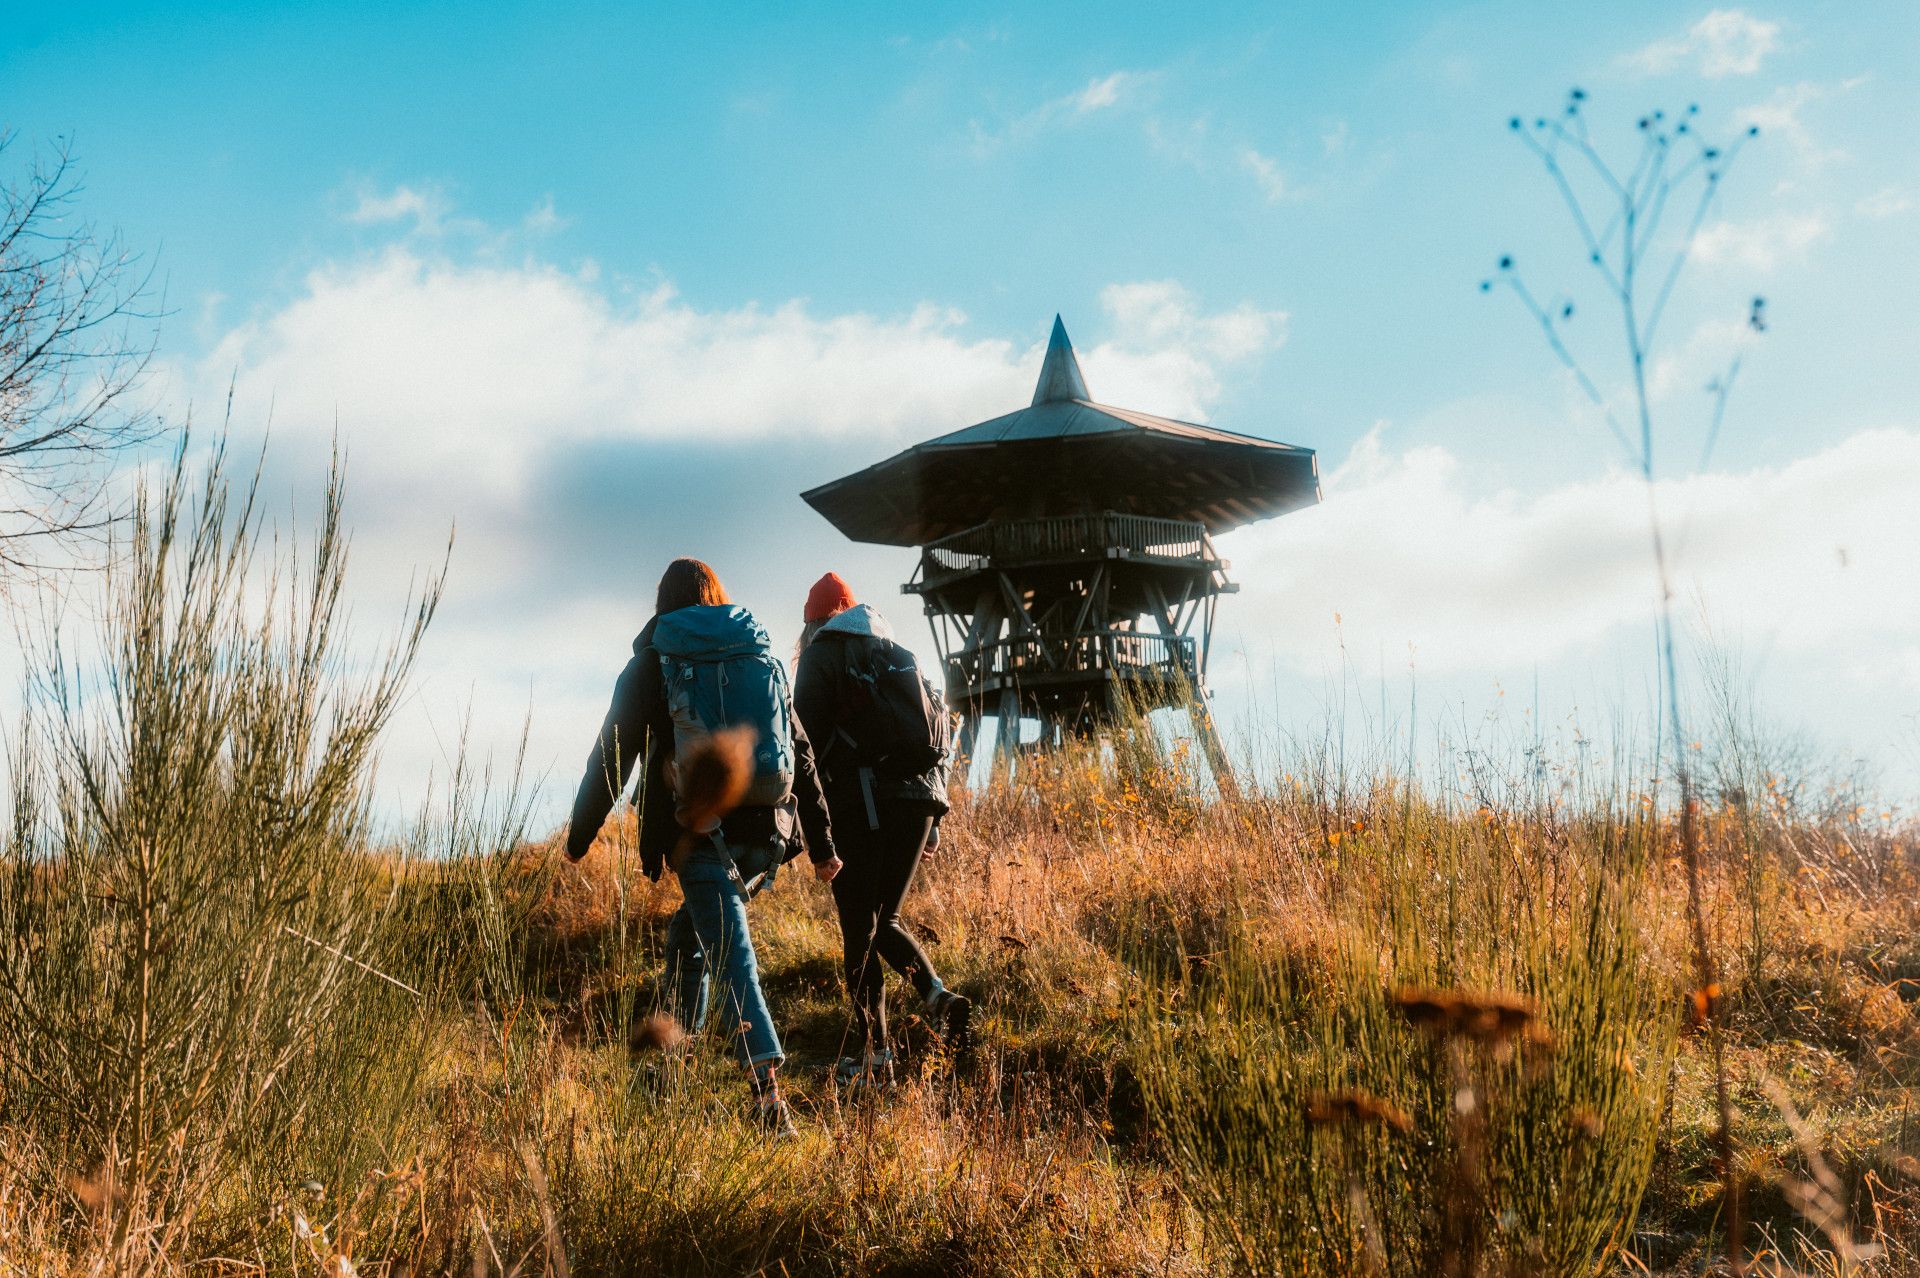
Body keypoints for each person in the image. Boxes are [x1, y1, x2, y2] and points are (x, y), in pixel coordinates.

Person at [566, 558, 840, 1134]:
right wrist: (821, 846)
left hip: (703, 835)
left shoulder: (654, 660)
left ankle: (770, 1100)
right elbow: (802, 751)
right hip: (770, 831)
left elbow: (611, 756)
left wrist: (580, 835)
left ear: (663, 602)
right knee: (690, 936)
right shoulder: (757, 651)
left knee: (731, 953)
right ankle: (669, 1068)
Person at [793, 572, 970, 1086]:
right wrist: (933, 820)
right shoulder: (896, 652)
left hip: (862, 803)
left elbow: (802, 744)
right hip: (918, 804)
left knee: (859, 928)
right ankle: (938, 997)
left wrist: (809, 828)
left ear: (813, 625)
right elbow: (936, 733)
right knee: (886, 920)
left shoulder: (823, 657)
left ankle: (876, 1058)